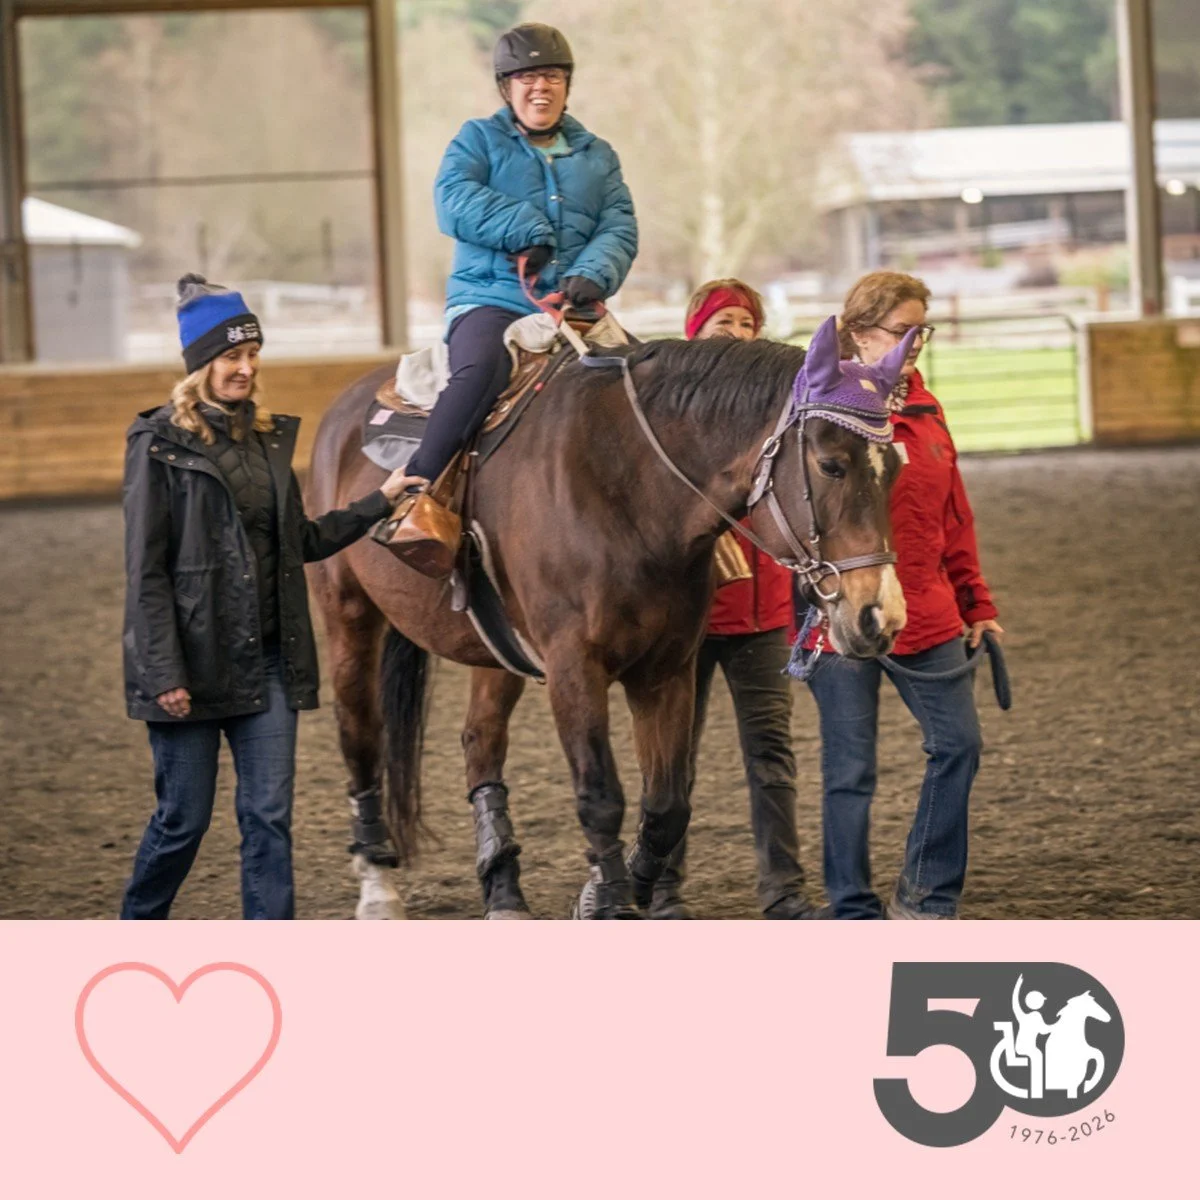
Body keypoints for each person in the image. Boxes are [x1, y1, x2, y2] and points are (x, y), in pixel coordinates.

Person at [120, 274, 417, 919]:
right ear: (201, 365)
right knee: (182, 823)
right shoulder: (157, 448)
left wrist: (377, 502)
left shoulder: (267, 442)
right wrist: (163, 672)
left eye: (253, 356)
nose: (246, 369)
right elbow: (145, 571)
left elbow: (301, 542)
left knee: (269, 821)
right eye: (231, 357)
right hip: (189, 672)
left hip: (269, 668)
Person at [389, 22, 638, 576]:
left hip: (575, 303)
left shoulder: (599, 156)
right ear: (507, 88)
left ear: (566, 85)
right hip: (492, 298)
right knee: (479, 372)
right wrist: (522, 225)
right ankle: (417, 497)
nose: (539, 88)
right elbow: (451, 199)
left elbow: (618, 224)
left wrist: (595, 273)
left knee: (648, 383)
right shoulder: (475, 140)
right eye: (526, 77)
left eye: (550, 75)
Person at [802, 270, 1004, 919]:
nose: (914, 343)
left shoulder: (926, 408)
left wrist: (978, 605)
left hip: (927, 609)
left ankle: (926, 894)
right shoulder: (819, 410)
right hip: (840, 614)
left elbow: (956, 516)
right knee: (850, 774)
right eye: (901, 330)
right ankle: (853, 910)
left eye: (923, 330)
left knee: (959, 746)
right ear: (858, 330)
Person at [647, 279, 813, 920]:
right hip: (684, 620)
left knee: (772, 756)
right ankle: (662, 889)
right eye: (724, 321)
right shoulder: (668, 418)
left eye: (748, 322)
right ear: (696, 330)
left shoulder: (771, 407)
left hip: (764, 615)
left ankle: (784, 891)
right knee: (671, 759)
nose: (738, 331)